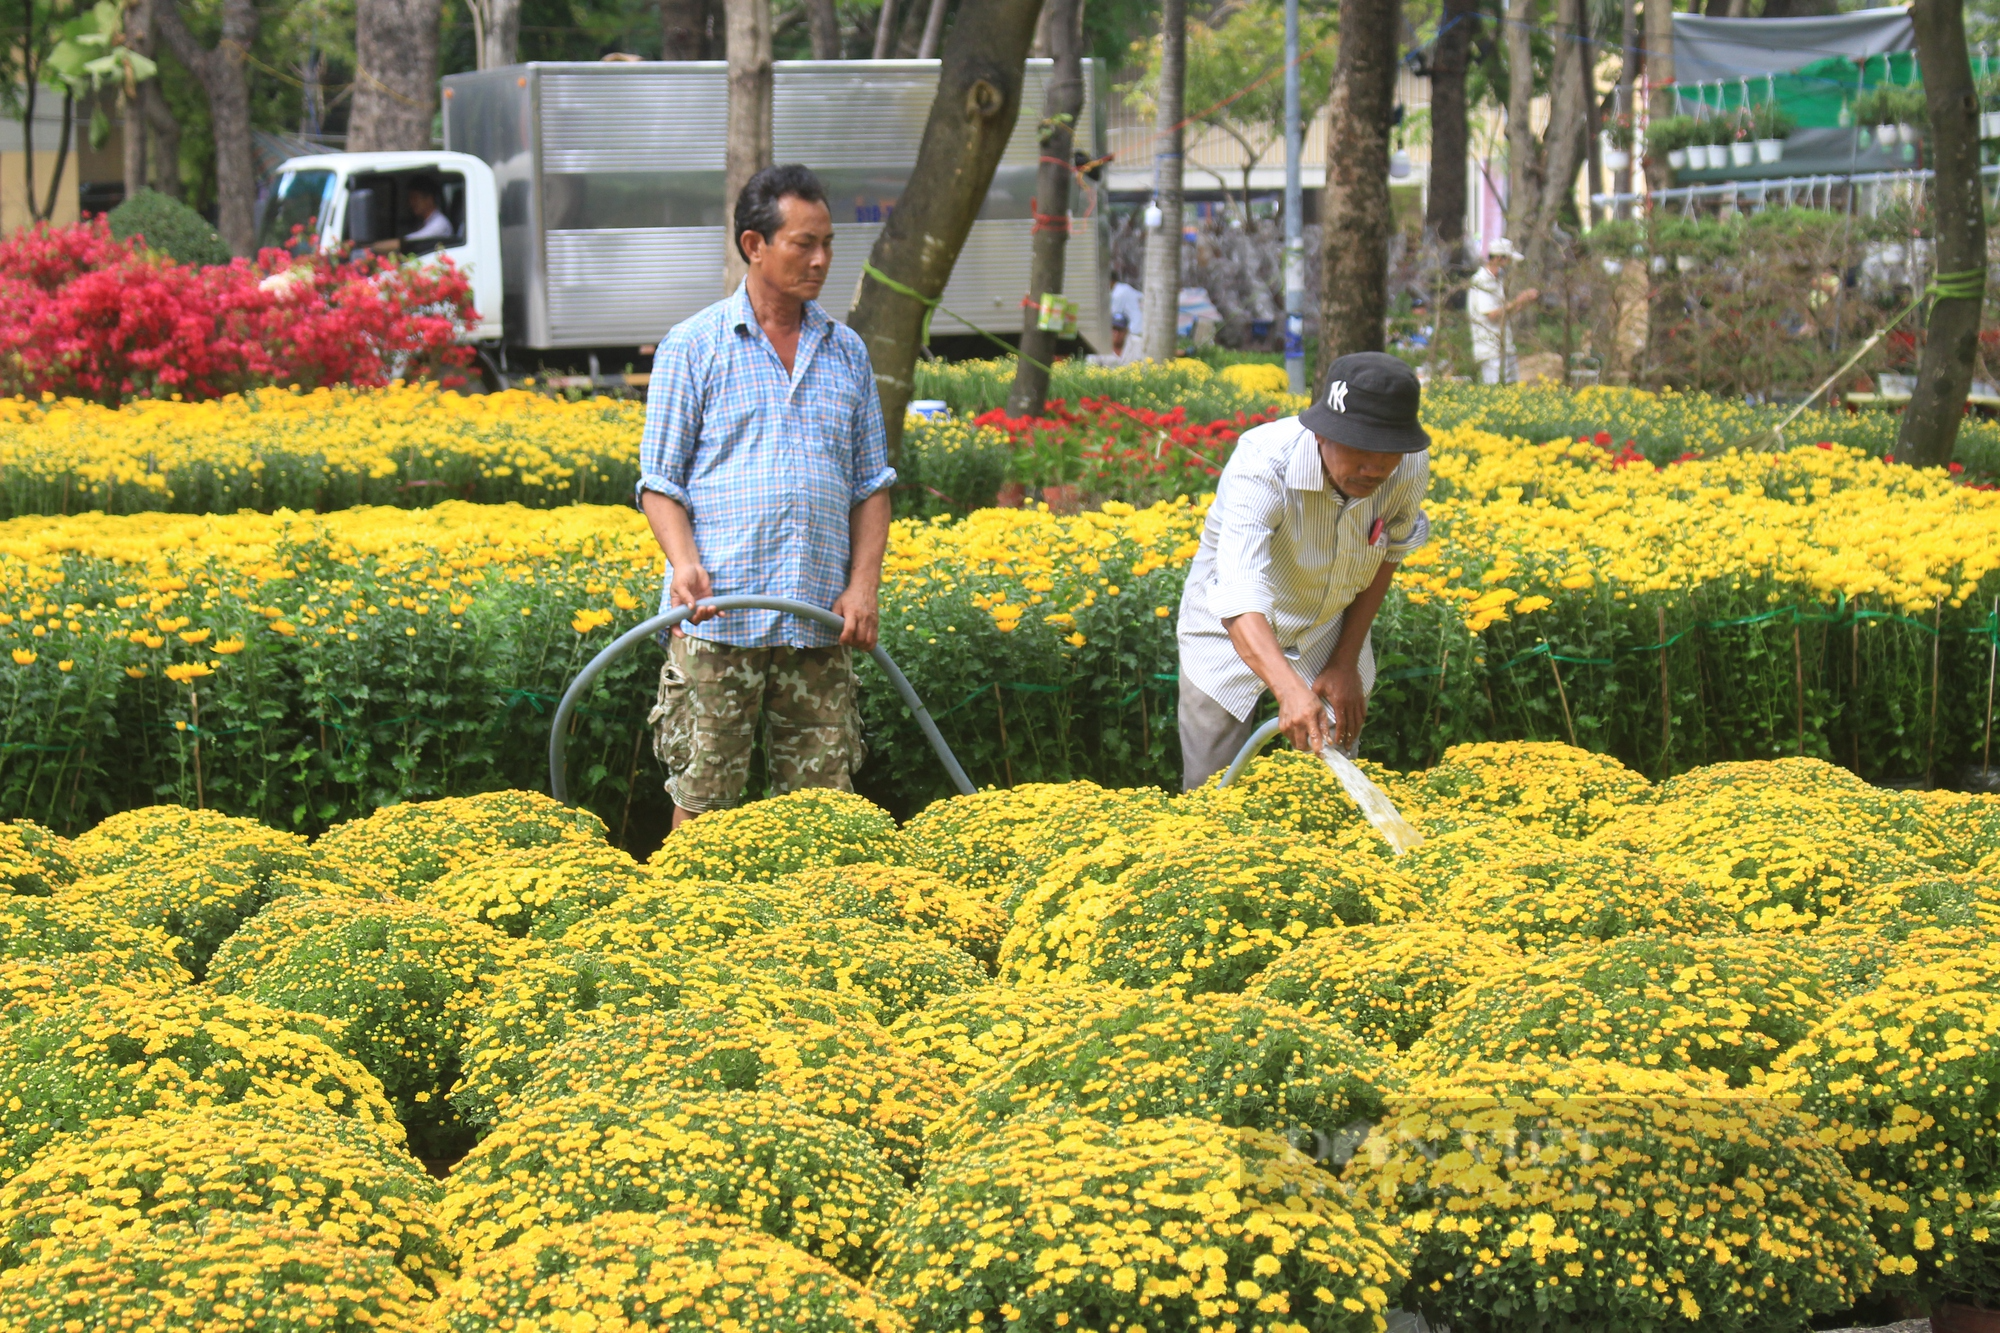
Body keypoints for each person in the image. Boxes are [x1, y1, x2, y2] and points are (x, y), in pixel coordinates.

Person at [636, 163, 895, 828]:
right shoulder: (693, 348)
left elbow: (872, 487)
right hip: (719, 620)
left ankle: (814, 929)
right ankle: (687, 925)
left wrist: (862, 587)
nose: (820, 259)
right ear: (755, 245)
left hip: (817, 624)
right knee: (700, 804)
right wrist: (684, 562)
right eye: (802, 243)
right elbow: (659, 485)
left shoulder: (847, 354)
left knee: (819, 818)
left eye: (828, 243)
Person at [1175, 351, 1431, 790]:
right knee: (1211, 789)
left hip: (1329, 630)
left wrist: (1345, 661)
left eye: (1387, 451)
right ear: (1320, 434)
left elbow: (1390, 553)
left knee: (1331, 789)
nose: (1374, 468)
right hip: (1231, 635)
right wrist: (1287, 687)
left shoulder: (1406, 466)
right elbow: (1239, 594)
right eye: (1358, 448)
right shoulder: (1262, 463)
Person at [1466, 238, 1539, 385]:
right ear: (1499, 258)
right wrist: (1518, 300)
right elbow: (1492, 314)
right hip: (1490, 348)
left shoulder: (1496, 280)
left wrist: (1523, 302)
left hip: (1504, 345)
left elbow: (1504, 313)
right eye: (1508, 259)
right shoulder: (1482, 281)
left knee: (1511, 388)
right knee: (1496, 390)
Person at [372, 177, 454, 254]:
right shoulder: (423, 221)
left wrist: (373, 248)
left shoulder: (439, 224)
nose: (411, 203)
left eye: (415, 198)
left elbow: (408, 242)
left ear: (429, 199)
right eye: (410, 198)